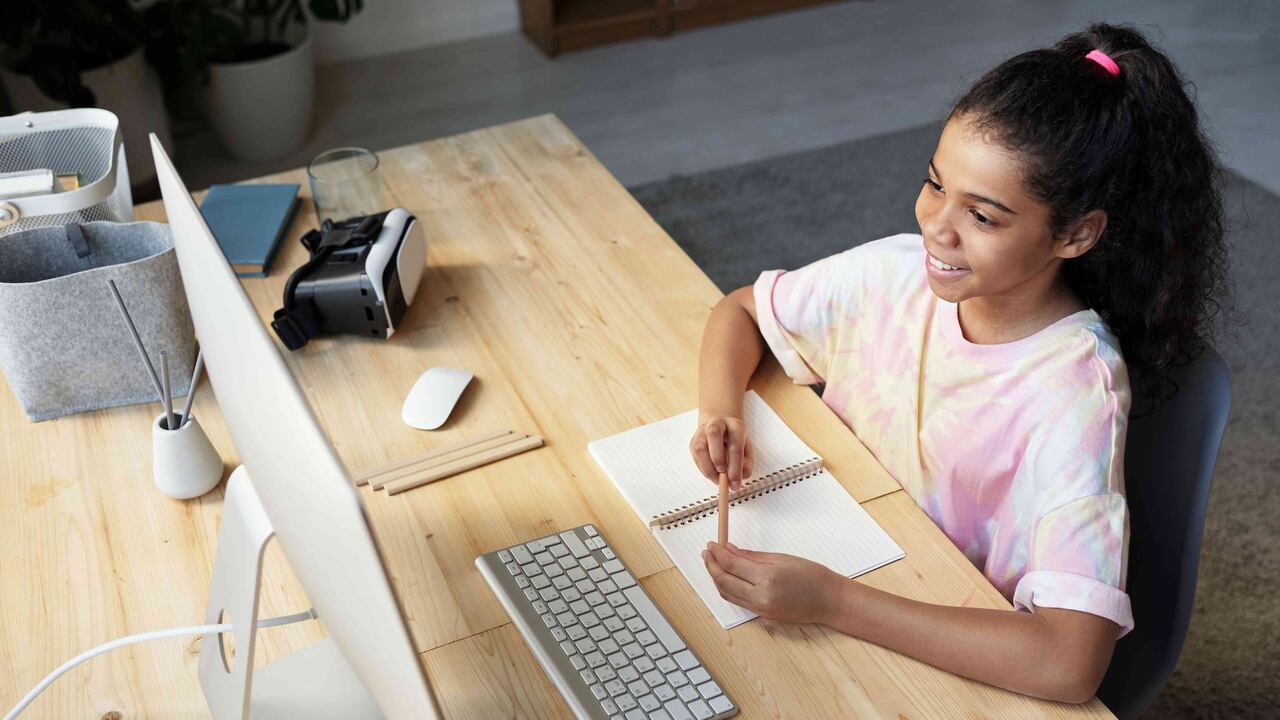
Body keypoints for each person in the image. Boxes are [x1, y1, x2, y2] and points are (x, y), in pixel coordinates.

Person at [690, 23, 1231, 704]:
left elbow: (1068, 663)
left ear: (1075, 233)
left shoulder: (1073, 395)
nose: (936, 227)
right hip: (859, 551)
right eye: (934, 185)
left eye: (984, 216)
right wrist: (720, 410)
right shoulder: (896, 274)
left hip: (943, 637)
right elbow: (739, 311)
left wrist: (832, 601)